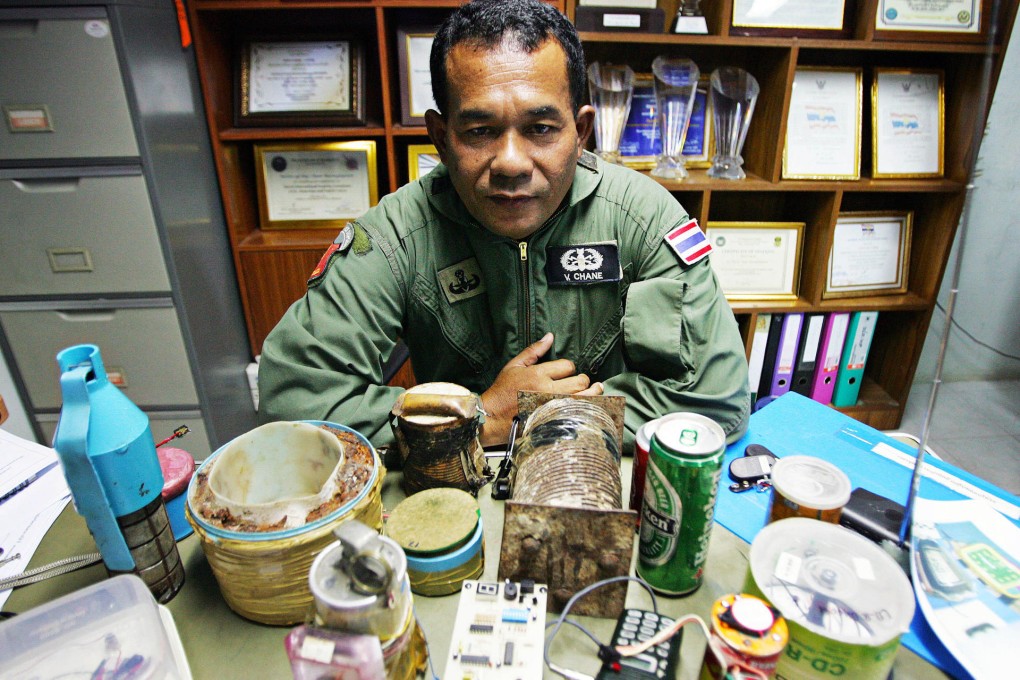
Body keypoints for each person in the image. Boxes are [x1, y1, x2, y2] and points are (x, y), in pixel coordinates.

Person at [258, 0, 749, 451]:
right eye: (480, 131)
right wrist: (477, 417)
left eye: (540, 129)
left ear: (580, 132)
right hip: (451, 479)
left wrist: (548, 414)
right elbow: (290, 404)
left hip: (595, 470)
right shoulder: (395, 238)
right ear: (441, 138)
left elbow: (717, 400)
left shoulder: (643, 219)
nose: (511, 162)